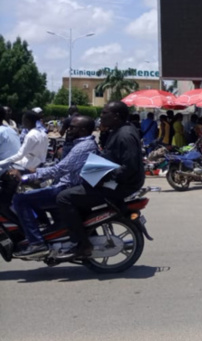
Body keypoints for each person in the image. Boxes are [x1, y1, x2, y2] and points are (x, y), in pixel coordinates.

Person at [55, 101, 145, 258]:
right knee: (72, 191)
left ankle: (82, 244)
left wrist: (102, 177)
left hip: (121, 185)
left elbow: (129, 168)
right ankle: (87, 233)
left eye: (104, 113)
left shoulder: (125, 135)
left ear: (116, 116)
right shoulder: (117, 131)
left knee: (64, 198)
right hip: (115, 181)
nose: (101, 116)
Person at [9, 116, 98, 257]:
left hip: (66, 187)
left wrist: (27, 176)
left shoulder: (82, 147)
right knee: (35, 194)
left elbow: (60, 169)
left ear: (83, 129)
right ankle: (48, 230)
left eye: (73, 127)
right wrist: (36, 171)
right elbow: (60, 165)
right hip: (60, 181)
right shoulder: (82, 143)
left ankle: (37, 242)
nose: (69, 129)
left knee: (20, 200)